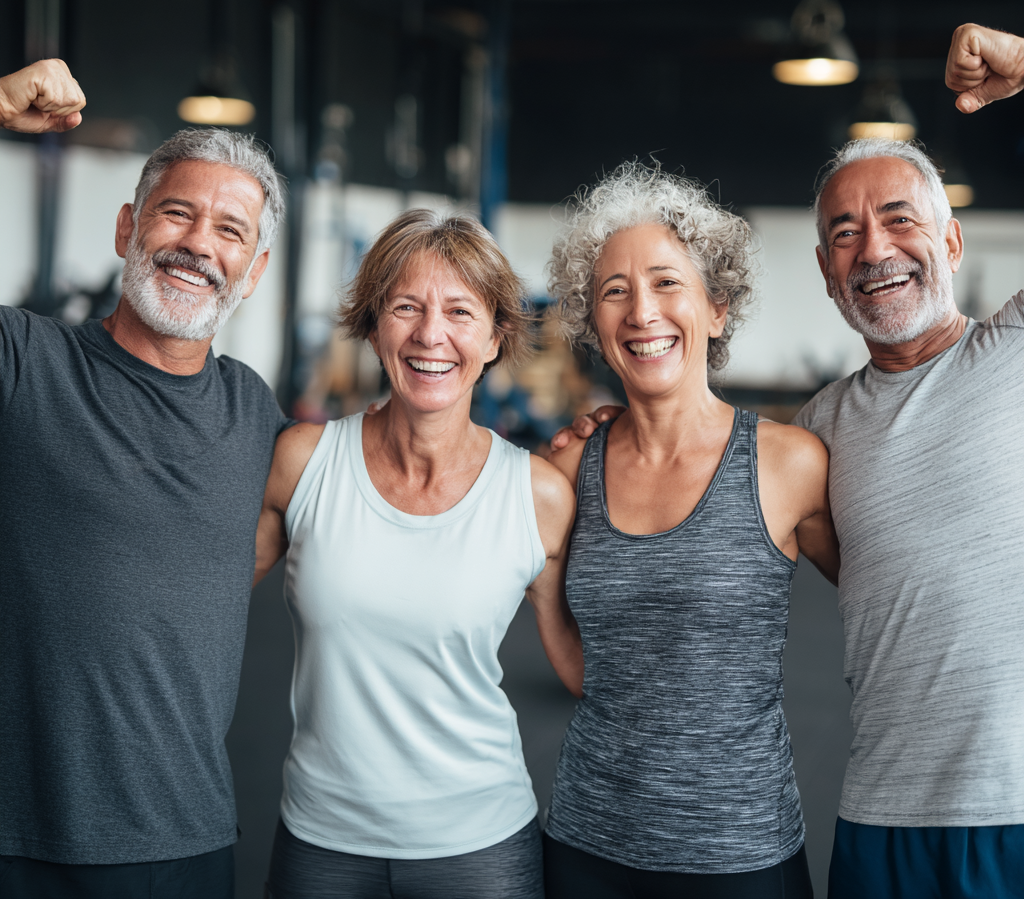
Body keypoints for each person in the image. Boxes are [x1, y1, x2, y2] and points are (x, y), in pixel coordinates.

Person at [558, 24, 1024, 898]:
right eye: (845, 234)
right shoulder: (816, 435)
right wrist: (624, 426)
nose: (874, 250)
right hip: (881, 817)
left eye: (899, 220)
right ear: (823, 270)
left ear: (952, 241)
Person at [0, 60, 289, 898]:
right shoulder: (26, 363)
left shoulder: (256, 415)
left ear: (255, 271)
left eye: (232, 231)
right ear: (128, 228)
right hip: (16, 844)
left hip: (182, 844)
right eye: (178, 213)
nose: (201, 243)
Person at [254, 209, 579, 899]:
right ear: (374, 326)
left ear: (496, 338)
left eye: (461, 311)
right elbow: (194, 598)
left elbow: (586, 670)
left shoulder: (537, 495)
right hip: (321, 840)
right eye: (406, 306)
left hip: (481, 845)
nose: (432, 334)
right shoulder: (302, 463)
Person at [538, 162, 838, 899]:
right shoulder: (572, 464)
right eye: (614, 291)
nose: (641, 312)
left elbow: (893, 603)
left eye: (668, 283)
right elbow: (587, 674)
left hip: (741, 855)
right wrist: (544, 578)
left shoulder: (788, 463)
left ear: (718, 308)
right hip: (587, 845)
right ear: (592, 323)